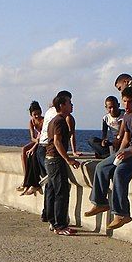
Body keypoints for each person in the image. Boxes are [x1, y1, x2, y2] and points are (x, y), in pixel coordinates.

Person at [84, 87, 132, 233]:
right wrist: (119, 153)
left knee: (120, 172)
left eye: (130, 102)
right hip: (130, 150)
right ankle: (100, 202)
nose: (126, 105)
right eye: (124, 101)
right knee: (101, 167)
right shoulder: (127, 116)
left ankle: (121, 213)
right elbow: (126, 138)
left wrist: (131, 153)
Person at [43, 94, 81, 235]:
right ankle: (61, 225)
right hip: (55, 159)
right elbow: (57, 142)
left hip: (50, 159)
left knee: (52, 191)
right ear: (62, 105)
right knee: (61, 192)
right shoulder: (59, 121)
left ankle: (53, 221)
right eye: (69, 102)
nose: (72, 105)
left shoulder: (54, 120)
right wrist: (68, 159)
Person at [17, 101, 44, 195]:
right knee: (24, 150)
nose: (37, 116)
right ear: (31, 115)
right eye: (34, 114)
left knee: (32, 153)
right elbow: (32, 137)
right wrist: (36, 141)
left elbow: (43, 137)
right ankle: (25, 177)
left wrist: (36, 143)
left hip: (43, 141)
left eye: (38, 113)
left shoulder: (44, 121)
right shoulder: (32, 122)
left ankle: (30, 181)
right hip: (37, 141)